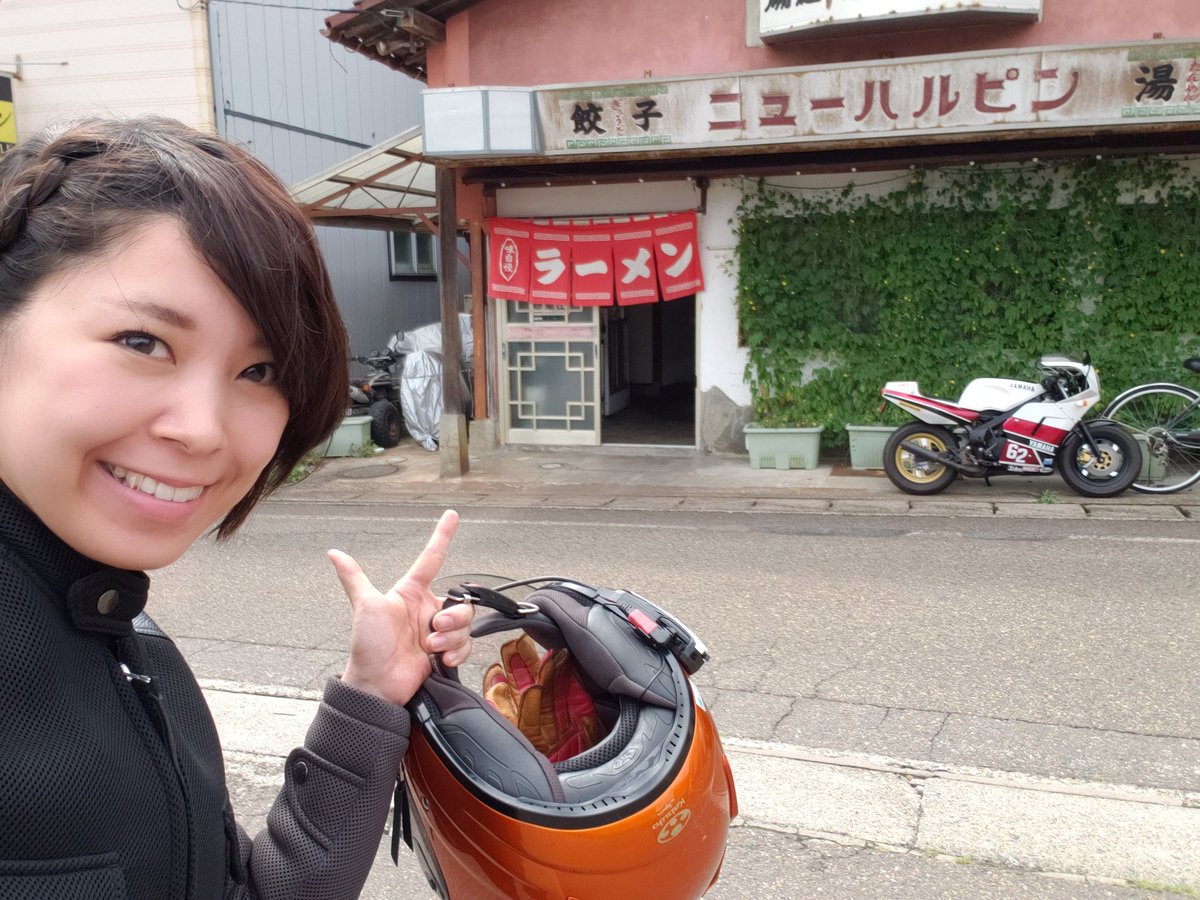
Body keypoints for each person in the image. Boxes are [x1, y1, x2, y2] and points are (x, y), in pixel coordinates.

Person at [0, 116, 473, 898]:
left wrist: (368, 697)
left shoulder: (125, 637)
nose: (204, 430)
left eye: (260, 371)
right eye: (143, 342)